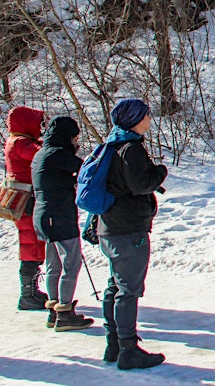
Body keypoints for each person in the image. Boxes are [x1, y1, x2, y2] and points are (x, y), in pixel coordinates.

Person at [97, 98, 168, 370]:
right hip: (128, 228)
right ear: (135, 118)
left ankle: (113, 343)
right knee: (128, 290)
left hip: (110, 226)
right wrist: (160, 172)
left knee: (115, 285)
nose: (150, 118)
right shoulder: (132, 149)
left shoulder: (112, 145)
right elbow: (140, 184)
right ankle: (128, 348)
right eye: (146, 114)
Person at [31, 115, 94, 331]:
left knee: (53, 264)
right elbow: (86, 169)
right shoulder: (58, 154)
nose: (76, 143)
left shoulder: (42, 154)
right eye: (74, 138)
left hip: (43, 215)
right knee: (71, 262)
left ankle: (54, 310)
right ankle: (65, 312)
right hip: (59, 214)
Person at [5, 106, 49, 311]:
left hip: (25, 200)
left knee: (33, 241)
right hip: (25, 202)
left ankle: (31, 290)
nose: (40, 128)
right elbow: (40, 156)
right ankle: (27, 293)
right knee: (30, 243)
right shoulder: (20, 143)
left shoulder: (19, 141)